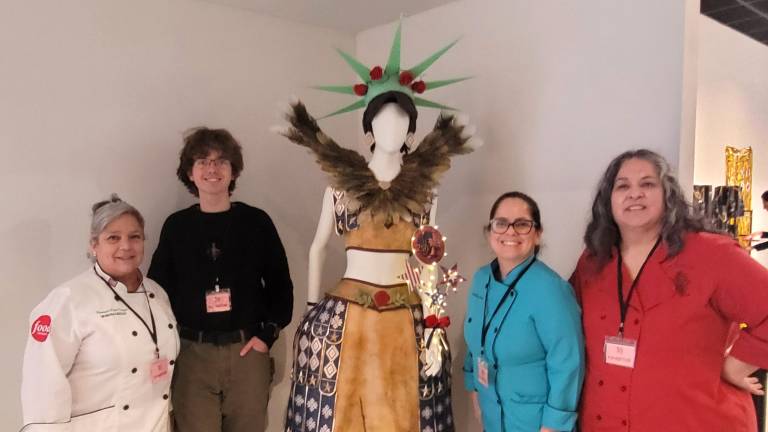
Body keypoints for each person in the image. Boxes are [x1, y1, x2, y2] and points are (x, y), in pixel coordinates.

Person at [279, 22, 474, 432]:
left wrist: (436, 316)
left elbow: (430, 259)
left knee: (405, 409)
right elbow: (318, 248)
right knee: (339, 410)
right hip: (346, 314)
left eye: (402, 122)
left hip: (407, 315)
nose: (393, 130)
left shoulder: (426, 194)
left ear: (411, 131)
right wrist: (311, 312)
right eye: (383, 122)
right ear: (368, 129)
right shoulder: (339, 187)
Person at [570, 149, 768, 431]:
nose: (634, 193)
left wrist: (736, 366)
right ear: (608, 200)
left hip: (698, 420)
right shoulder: (592, 262)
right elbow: (559, 327)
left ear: (668, 195)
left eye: (648, 184)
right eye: (623, 185)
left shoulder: (711, 254)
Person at [148, 127, 293, 432]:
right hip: (191, 354)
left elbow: (281, 285)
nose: (212, 169)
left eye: (220, 161)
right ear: (189, 172)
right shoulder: (176, 227)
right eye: (202, 161)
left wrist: (265, 338)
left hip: (246, 352)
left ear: (233, 169)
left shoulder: (256, 223)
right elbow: (156, 292)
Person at [21, 195, 179, 431]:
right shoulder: (68, 300)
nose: (125, 246)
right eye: (113, 237)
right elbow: (42, 385)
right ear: (94, 245)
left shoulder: (157, 293)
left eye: (134, 237)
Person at [463, 192, 584, 432]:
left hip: (534, 423)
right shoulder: (480, 279)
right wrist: (473, 388)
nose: (510, 232)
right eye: (501, 224)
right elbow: (475, 341)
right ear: (490, 233)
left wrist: (554, 425)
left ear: (537, 235)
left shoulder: (551, 290)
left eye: (522, 224)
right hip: (492, 416)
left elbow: (568, 362)